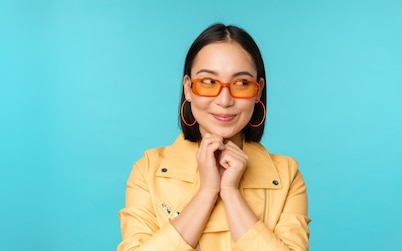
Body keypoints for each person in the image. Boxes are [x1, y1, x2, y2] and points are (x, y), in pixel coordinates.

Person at [117, 23, 310, 251]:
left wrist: (231, 193)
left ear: (258, 91)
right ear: (188, 88)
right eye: (208, 82)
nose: (225, 100)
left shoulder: (286, 175)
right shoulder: (147, 170)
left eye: (241, 83)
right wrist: (207, 192)